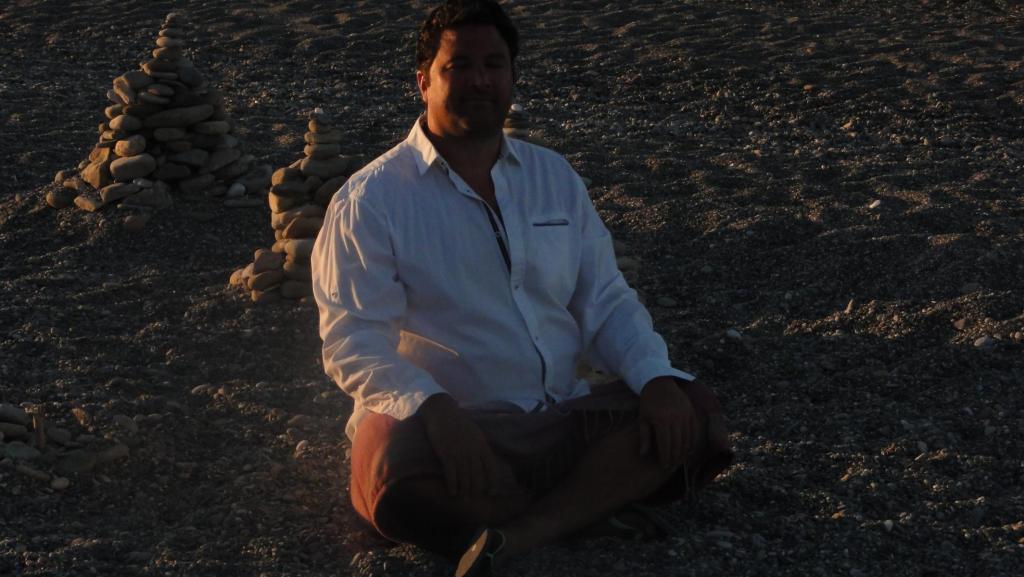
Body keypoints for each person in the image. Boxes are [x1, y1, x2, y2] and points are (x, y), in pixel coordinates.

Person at [311, 1, 733, 575]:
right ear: (424, 81)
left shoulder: (552, 177)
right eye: (459, 66)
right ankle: (586, 507)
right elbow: (353, 341)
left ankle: (520, 532)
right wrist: (434, 409)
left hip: (557, 416)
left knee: (688, 411)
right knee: (392, 476)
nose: (480, 80)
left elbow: (605, 300)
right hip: (452, 429)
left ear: (512, 75)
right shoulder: (372, 200)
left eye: (494, 65)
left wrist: (654, 376)